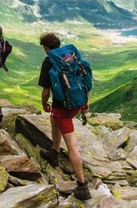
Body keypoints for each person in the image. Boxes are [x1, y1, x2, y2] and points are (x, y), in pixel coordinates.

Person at [37, 32, 92, 201]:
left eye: (44, 47)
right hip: (77, 102)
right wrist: (85, 100)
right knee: (53, 119)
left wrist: (44, 103)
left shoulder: (49, 62)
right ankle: (54, 151)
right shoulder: (70, 56)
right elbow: (84, 77)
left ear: (46, 47)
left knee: (72, 144)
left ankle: (82, 186)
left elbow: (46, 91)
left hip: (63, 108)